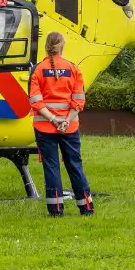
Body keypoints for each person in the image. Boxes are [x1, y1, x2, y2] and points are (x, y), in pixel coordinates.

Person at [28, 32, 93, 216]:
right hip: (69, 127)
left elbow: (35, 101)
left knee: (51, 167)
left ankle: (56, 210)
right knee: (74, 165)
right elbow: (78, 101)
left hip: (44, 127)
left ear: (46, 46)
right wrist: (65, 120)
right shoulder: (73, 69)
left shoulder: (38, 70)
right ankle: (86, 208)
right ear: (62, 46)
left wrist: (53, 119)